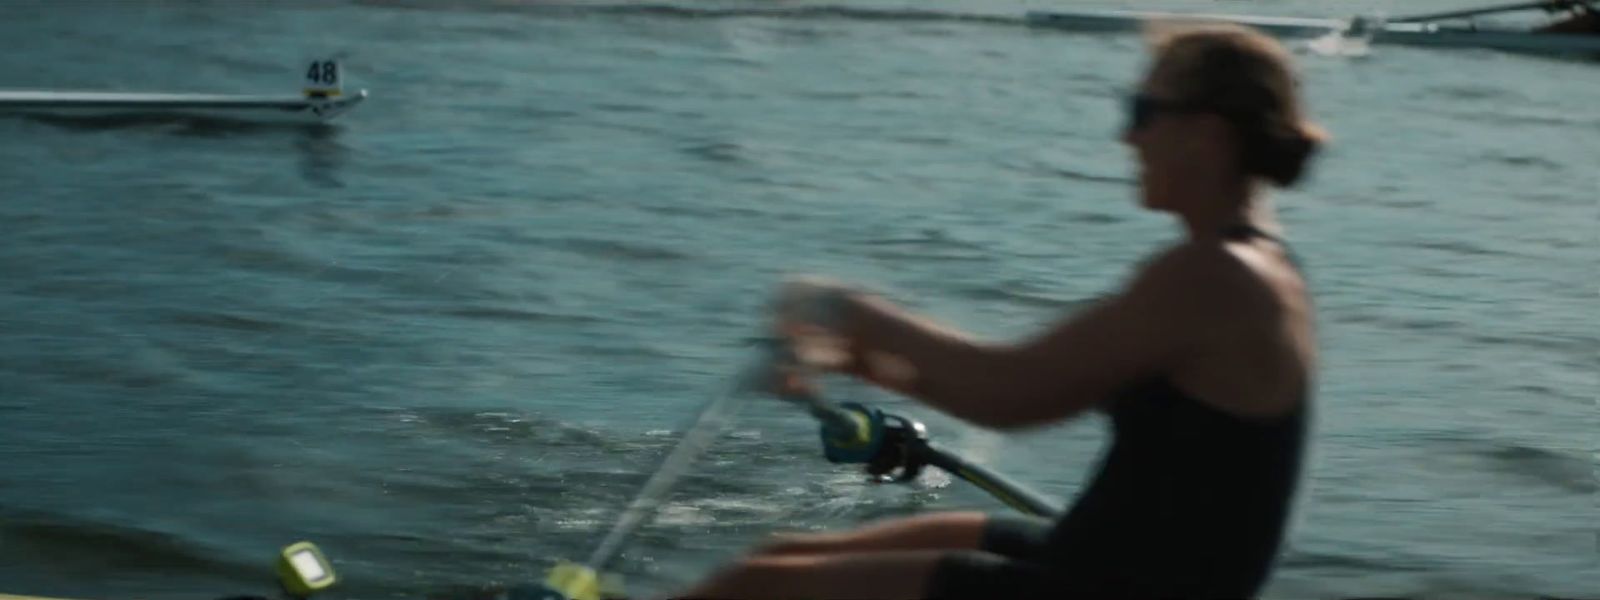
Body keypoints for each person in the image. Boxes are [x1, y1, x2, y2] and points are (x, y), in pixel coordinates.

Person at [671, 21, 1327, 600]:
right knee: (775, 559)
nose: (1128, 137)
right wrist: (859, 362)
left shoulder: (1215, 277)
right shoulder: (1254, 268)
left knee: (755, 589)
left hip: (1107, 586)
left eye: (1142, 111)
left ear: (1207, 136)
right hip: (1097, 558)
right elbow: (1025, 389)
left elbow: (1009, 394)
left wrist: (847, 311)